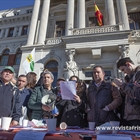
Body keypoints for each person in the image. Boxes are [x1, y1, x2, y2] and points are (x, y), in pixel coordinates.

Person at [114, 57, 140, 126]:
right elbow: (127, 95)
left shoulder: (138, 75)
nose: (124, 72)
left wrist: (123, 85)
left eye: (123, 69)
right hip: (130, 115)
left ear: (128, 64)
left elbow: (136, 95)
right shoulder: (129, 78)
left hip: (137, 116)